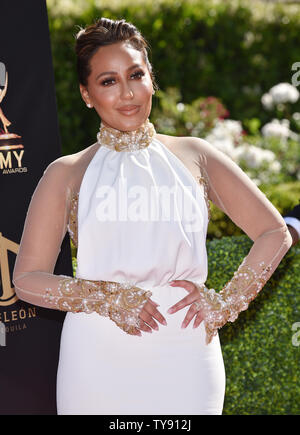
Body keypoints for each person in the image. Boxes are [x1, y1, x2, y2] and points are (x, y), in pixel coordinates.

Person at [12, 18, 292, 415]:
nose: (127, 93)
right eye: (108, 81)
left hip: (187, 355)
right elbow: (26, 278)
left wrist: (226, 303)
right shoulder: (67, 172)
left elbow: (273, 232)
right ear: (86, 94)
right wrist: (108, 297)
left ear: (152, 81)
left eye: (136, 75)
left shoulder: (196, 155)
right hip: (96, 357)